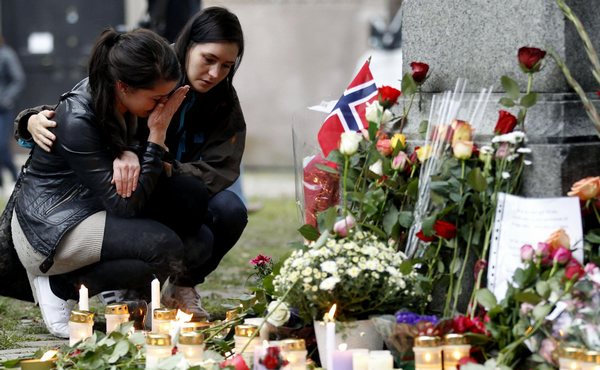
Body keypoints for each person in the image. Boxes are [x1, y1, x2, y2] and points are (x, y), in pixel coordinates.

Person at [17, 7, 248, 319]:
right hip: (116, 194)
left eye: (226, 66)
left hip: (167, 186)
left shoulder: (222, 99)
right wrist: (29, 120)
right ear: (188, 44)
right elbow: (87, 101)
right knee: (163, 239)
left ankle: (179, 285)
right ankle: (84, 284)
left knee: (222, 215)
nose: (215, 73)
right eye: (209, 59)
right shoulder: (153, 66)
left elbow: (222, 166)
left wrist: (162, 164)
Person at [11, 27, 201, 338]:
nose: (164, 106)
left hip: (91, 201)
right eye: (157, 98)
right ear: (123, 86)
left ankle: (126, 290)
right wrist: (156, 135)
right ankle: (60, 286)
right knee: (165, 247)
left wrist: (131, 150)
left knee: (192, 204)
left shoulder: (130, 91)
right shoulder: (78, 117)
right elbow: (124, 205)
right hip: (50, 226)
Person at [0, 35, 25, 197]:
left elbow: (18, 79)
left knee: (1, 145)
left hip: (2, 109)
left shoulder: (6, 54)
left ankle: (16, 176)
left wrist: (6, 99)